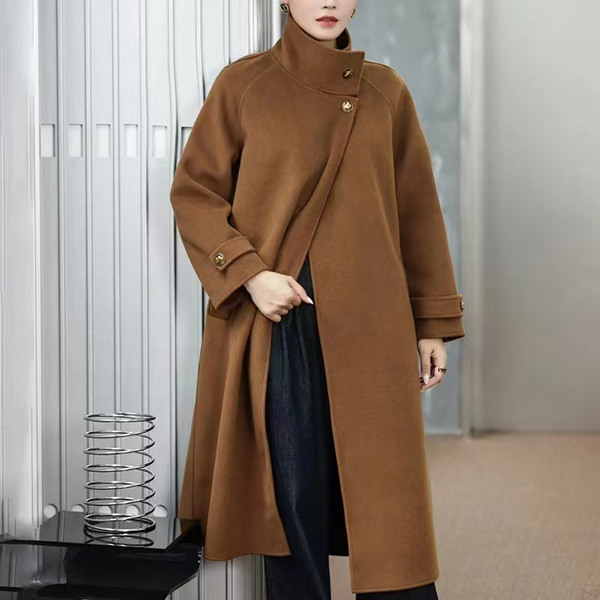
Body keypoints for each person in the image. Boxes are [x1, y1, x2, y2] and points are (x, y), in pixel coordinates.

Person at [171, 0, 466, 598]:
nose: (328, 2)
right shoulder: (243, 86)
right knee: (292, 490)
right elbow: (195, 194)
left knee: (388, 502)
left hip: (372, 322)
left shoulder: (386, 93)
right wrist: (251, 276)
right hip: (280, 321)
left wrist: (431, 322)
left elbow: (417, 214)